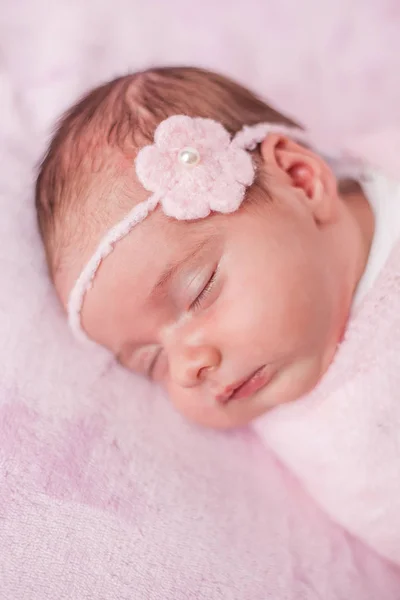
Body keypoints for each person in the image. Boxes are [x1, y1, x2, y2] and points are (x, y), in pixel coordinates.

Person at [35, 66, 399, 429]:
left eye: (200, 291)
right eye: (152, 362)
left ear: (300, 180)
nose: (187, 368)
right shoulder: (309, 432)